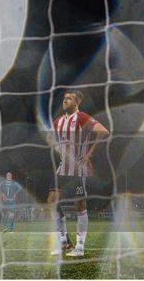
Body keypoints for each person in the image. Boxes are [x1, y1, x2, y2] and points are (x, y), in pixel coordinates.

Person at [46, 90, 109, 257]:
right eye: (64, 98)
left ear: (77, 102)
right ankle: (64, 242)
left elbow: (103, 131)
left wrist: (89, 153)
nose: (65, 100)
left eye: (69, 98)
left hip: (77, 170)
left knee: (79, 205)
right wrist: (58, 148)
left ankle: (80, 247)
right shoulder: (59, 121)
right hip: (62, 168)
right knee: (52, 201)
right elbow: (49, 136)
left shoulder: (82, 118)